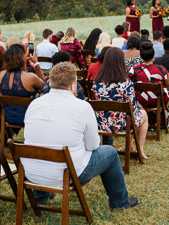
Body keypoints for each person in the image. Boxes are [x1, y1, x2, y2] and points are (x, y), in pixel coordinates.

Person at [22, 62, 139, 210]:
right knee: (110, 152)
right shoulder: (82, 107)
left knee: (44, 144)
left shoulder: (34, 104)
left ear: (50, 82)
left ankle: (41, 196)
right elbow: (93, 145)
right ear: (72, 85)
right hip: (67, 173)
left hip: (32, 173)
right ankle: (120, 202)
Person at [92, 49, 150, 159]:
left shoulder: (96, 82)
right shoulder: (126, 83)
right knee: (143, 115)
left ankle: (132, 146)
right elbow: (132, 109)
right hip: (121, 124)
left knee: (135, 115)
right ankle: (140, 149)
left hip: (100, 124)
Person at [0, 43, 46, 137]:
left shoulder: (1, 75)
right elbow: (45, 86)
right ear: (22, 59)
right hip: (28, 117)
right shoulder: (30, 78)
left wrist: (24, 64)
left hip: (7, 117)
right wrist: (36, 63)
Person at [131, 47, 169, 128]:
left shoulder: (133, 70)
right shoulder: (161, 69)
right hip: (157, 100)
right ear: (153, 56)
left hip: (140, 101)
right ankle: (161, 121)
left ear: (141, 57)